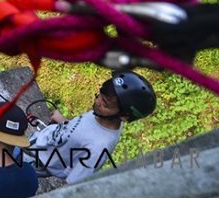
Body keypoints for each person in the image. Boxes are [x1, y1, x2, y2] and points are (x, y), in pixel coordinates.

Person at [24, 71, 157, 183]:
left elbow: (74, 183)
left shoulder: (98, 148)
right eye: (100, 96)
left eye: (105, 104)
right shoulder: (102, 115)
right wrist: (64, 121)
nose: (97, 101)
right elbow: (82, 131)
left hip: (32, 162)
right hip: (37, 141)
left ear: (124, 116)